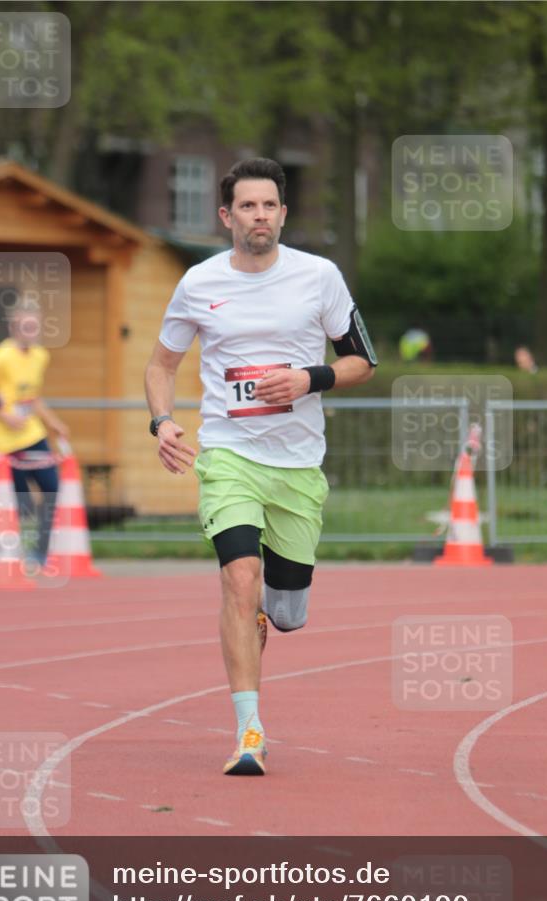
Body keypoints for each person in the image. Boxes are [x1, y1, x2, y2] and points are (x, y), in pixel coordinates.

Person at [145, 157, 376, 776]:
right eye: (248, 206)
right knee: (238, 576)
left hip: (298, 465)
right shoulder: (197, 282)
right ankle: (249, 729)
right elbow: (160, 365)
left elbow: (363, 362)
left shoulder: (319, 277)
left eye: (270, 205)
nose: (260, 216)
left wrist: (309, 377)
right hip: (229, 456)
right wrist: (162, 423)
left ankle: (272, 616)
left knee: (287, 612)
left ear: (283, 213)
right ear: (227, 216)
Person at [0, 297, 69, 565]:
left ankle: (41, 551)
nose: (30, 332)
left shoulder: (41, 356)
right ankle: (3, 546)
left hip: (32, 433)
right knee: (20, 503)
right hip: (4, 439)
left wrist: (53, 421)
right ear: (13, 327)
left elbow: (33, 396)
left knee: (53, 489)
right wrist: (3, 415)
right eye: (25, 326)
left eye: (35, 326)